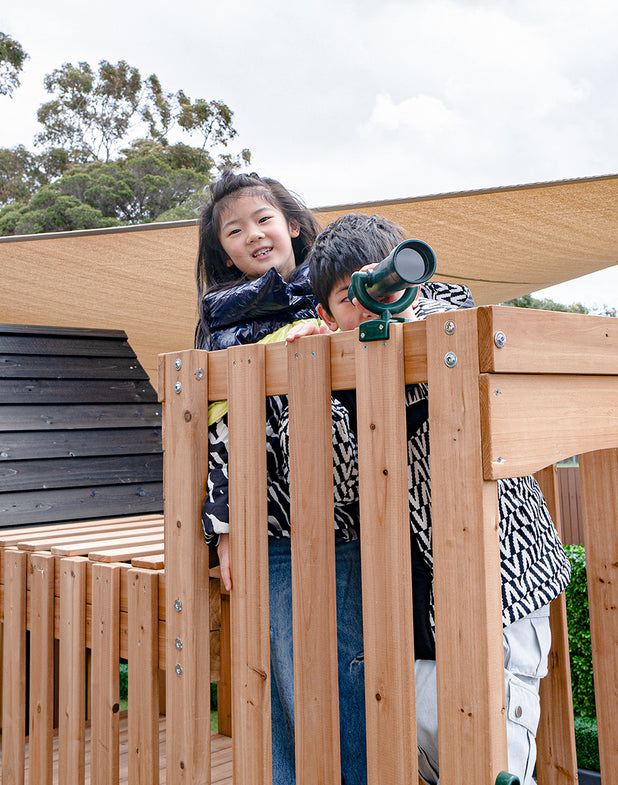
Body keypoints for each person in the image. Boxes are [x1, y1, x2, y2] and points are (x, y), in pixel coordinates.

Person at [295, 213, 572, 785]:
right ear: (325, 314)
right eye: (350, 298)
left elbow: (453, 314)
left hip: (500, 587)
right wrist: (319, 381)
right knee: (433, 746)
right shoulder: (336, 374)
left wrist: (403, 313)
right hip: (414, 602)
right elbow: (339, 481)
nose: (370, 305)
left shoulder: (451, 328)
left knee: (495, 749)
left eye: (382, 285)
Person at [195, 170, 366, 785]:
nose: (253, 234)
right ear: (225, 253)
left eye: (263, 219)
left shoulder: (342, 294)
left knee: (349, 673)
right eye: (234, 231)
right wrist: (225, 529)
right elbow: (215, 432)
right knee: (281, 679)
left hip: (351, 514)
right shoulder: (220, 326)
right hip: (270, 523)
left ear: (292, 225)